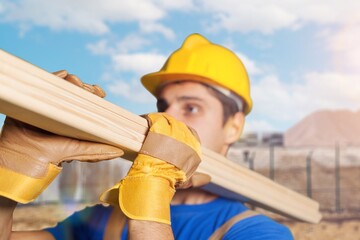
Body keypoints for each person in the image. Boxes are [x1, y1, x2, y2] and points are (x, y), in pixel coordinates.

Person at [0, 33, 294, 239]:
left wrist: (149, 206)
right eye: (163, 106)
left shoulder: (255, 232)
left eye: (191, 107)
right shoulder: (100, 220)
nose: (169, 118)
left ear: (234, 126)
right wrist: (10, 173)